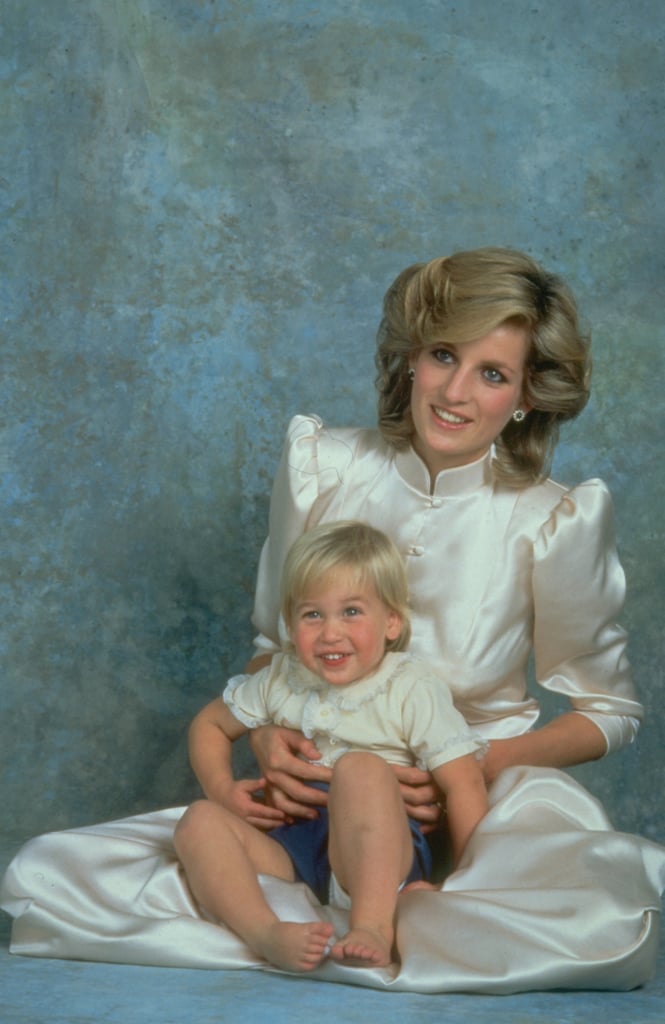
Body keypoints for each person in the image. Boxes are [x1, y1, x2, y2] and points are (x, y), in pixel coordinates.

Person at [2, 247, 663, 991]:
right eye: (442, 355)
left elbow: (611, 712)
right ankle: (293, 919)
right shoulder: (326, 465)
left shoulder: (554, 521)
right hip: (313, 790)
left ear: (524, 398)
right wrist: (264, 737)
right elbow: (271, 649)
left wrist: (473, 767)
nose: (453, 391)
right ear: (408, 358)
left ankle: (409, 905)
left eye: (491, 373)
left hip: (482, 792)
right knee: (75, 873)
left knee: (589, 914)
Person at [175, 521, 487, 971]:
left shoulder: (409, 685)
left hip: (377, 854)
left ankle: (374, 925)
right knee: (197, 822)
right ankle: (265, 932)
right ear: (289, 623)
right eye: (312, 615)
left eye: (352, 612)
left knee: (361, 768)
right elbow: (209, 725)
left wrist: (464, 880)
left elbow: (464, 786)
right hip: (291, 848)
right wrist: (222, 790)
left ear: (392, 622)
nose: (330, 633)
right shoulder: (281, 677)